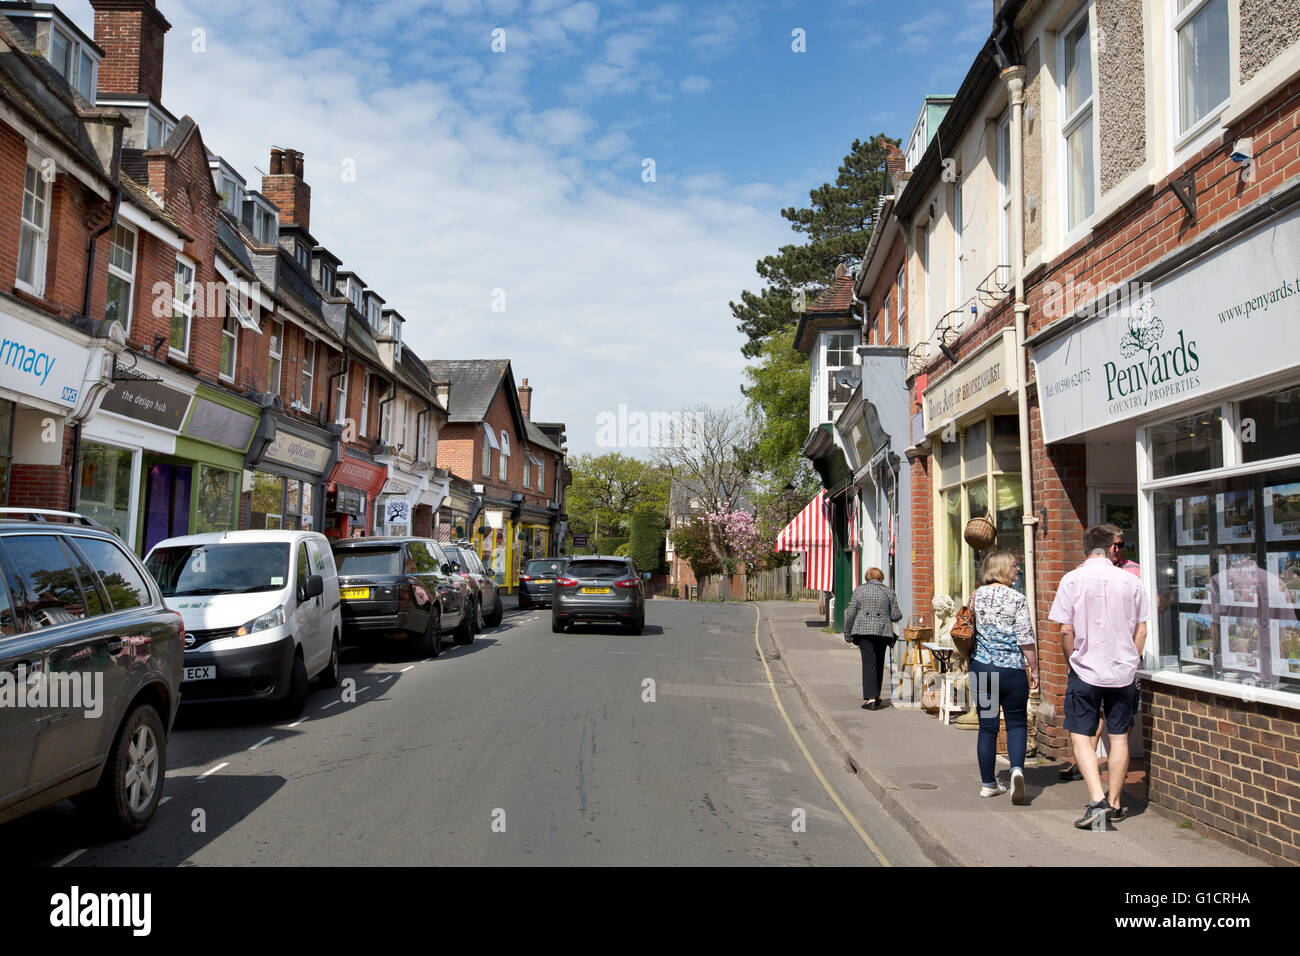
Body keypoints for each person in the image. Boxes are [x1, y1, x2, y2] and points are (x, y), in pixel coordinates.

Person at [1049, 523, 1151, 829]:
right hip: (1123, 670)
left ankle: (1097, 800)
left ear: (1086, 548)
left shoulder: (1071, 580)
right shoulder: (1132, 582)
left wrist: (1072, 661)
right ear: (1111, 549)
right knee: (1119, 737)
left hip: (1085, 669)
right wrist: (1131, 660)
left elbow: (1065, 629)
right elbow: (1142, 629)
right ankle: (1116, 803)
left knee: (1081, 734)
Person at [969, 551, 1039, 804]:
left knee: (987, 728)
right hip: (1011, 672)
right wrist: (1035, 669)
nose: (1017, 569)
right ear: (1000, 569)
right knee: (1017, 724)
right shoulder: (1017, 599)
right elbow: (1026, 639)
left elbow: (967, 630)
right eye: (1014, 565)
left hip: (983, 670)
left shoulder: (975, 596)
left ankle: (988, 784)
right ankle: (1017, 770)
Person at [842, 567, 902, 711]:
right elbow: (897, 615)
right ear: (881, 577)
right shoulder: (889, 592)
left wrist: (847, 633)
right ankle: (876, 695)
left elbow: (851, 613)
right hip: (883, 632)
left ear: (867, 578)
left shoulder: (859, 590)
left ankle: (871, 699)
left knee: (869, 663)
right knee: (879, 663)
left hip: (864, 632)